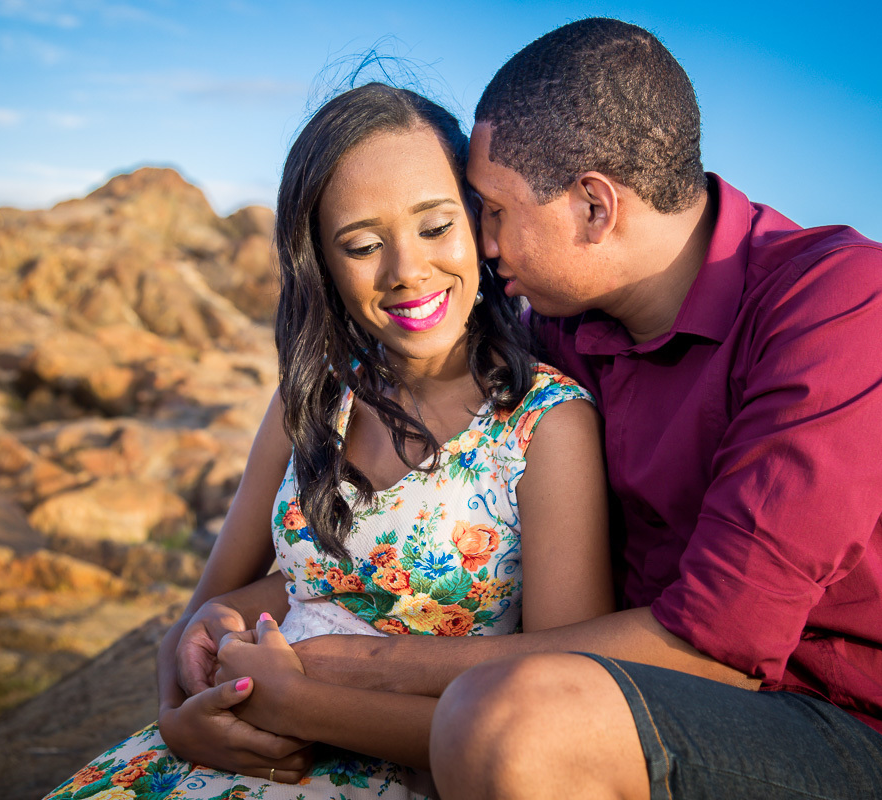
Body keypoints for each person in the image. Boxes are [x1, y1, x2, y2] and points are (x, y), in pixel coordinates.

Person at [302, 18, 882, 800]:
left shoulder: (843, 304)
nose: (484, 245)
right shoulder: (563, 330)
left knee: (509, 722)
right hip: (633, 715)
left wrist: (368, 668)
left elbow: (719, 646)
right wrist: (234, 626)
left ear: (594, 208)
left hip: (871, 744)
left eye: (492, 211)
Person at [41, 83, 614, 800]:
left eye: (436, 228)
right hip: (213, 757)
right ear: (322, 263)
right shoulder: (310, 400)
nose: (406, 269)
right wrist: (185, 704)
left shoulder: (545, 425)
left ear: (478, 224)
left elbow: (561, 710)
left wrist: (299, 706)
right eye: (364, 245)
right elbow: (206, 611)